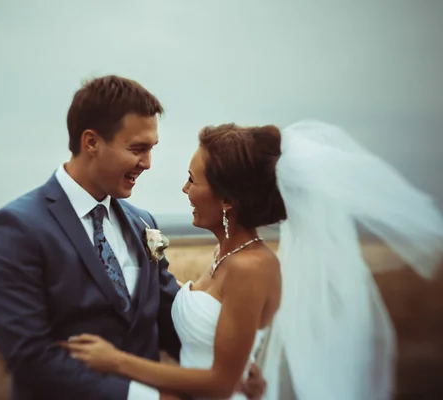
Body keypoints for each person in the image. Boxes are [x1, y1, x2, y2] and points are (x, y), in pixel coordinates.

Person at [62, 120, 443, 400]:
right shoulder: (224, 255)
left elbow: (220, 384)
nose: (184, 189)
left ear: (227, 200)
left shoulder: (252, 268)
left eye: (193, 180)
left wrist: (115, 362)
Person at [0, 75, 267, 400]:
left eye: (151, 149)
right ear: (91, 142)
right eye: (137, 149)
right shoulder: (17, 228)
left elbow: (169, 319)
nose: (147, 163)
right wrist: (149, 398)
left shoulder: (142, 223)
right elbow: (30, 358)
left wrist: (235, 373)